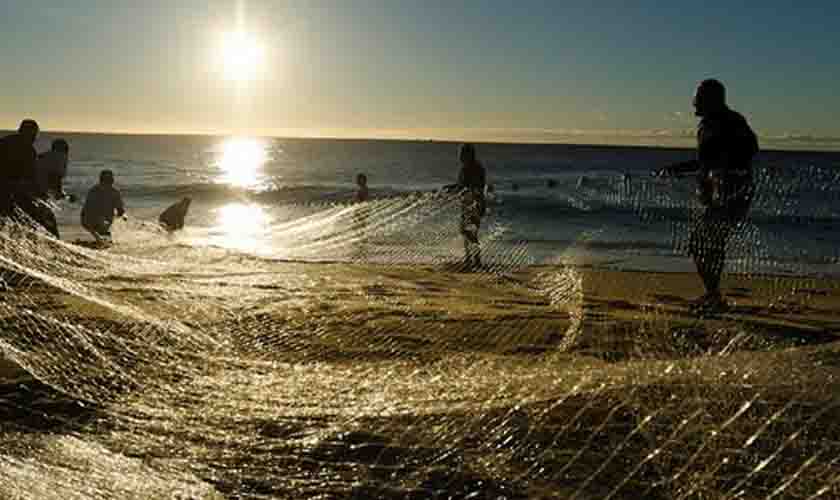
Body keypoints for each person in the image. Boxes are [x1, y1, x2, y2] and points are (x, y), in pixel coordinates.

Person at [655, 79, 759, 311]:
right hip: (716, 194)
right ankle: (713, 294)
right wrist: (678, 169)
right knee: (706, 243)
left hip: (731, 193)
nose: (694, 102)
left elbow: (751, 149)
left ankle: (714, 296)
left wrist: (723, 167)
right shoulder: (708, 124)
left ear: (713, 100)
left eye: (698, 98)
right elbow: (705, 161)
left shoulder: (731, 121)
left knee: (704, 242)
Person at [455, 143, 486, 270]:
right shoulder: (469, 168)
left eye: (461, 154)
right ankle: (470, 259)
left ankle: (474, 260)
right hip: (469, 203)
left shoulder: (473, 168)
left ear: (467, 155)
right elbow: (462, 186)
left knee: (469, 232)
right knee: (468, 232)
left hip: (474, 204)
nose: (459, 156)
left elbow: (473, 186)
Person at [0, 120, 39, 219]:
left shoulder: (4, 141)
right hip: (8, 189)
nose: (35, 138)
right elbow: (29, 176)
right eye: (34, 134)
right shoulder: (29, 151)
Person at [81, 170, 125, 243]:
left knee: (105, 223)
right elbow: (87, 209)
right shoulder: (94, 191)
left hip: (105, 219)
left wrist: (122, 215)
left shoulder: (115, 192)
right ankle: (100, 237)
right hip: (90, 218)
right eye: (105, 180)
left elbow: (120, 210)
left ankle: (102, 238)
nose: (106, 183)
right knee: (100, 222)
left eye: (108, 180)